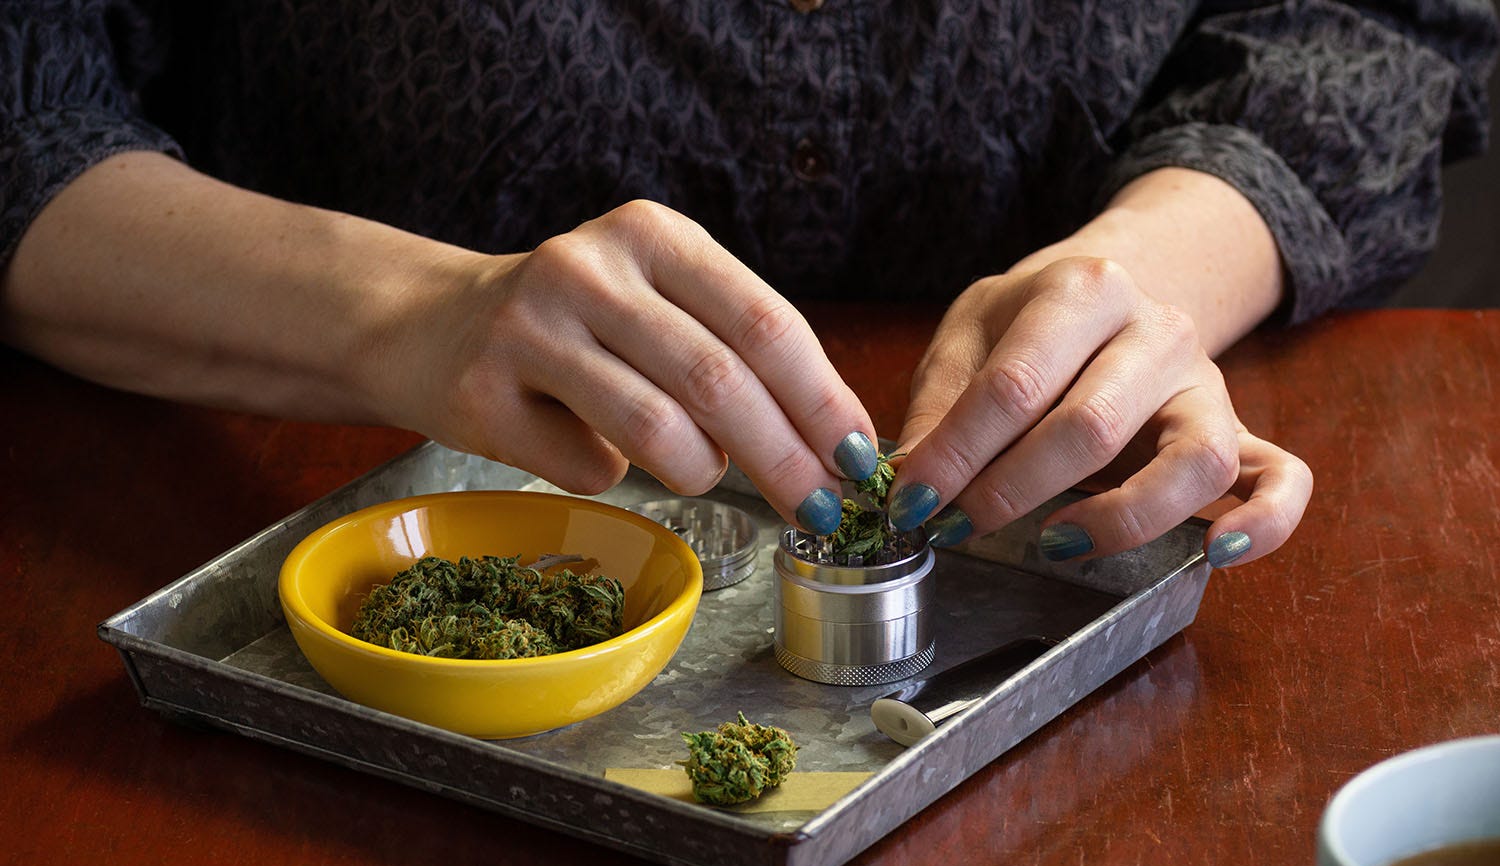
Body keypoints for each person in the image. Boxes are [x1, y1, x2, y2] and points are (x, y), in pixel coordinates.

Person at [2, 2, 1494, 568]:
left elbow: (1374, 14)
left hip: (1041, 537)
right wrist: (409, 314)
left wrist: (1152, 272)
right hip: (271, 496)